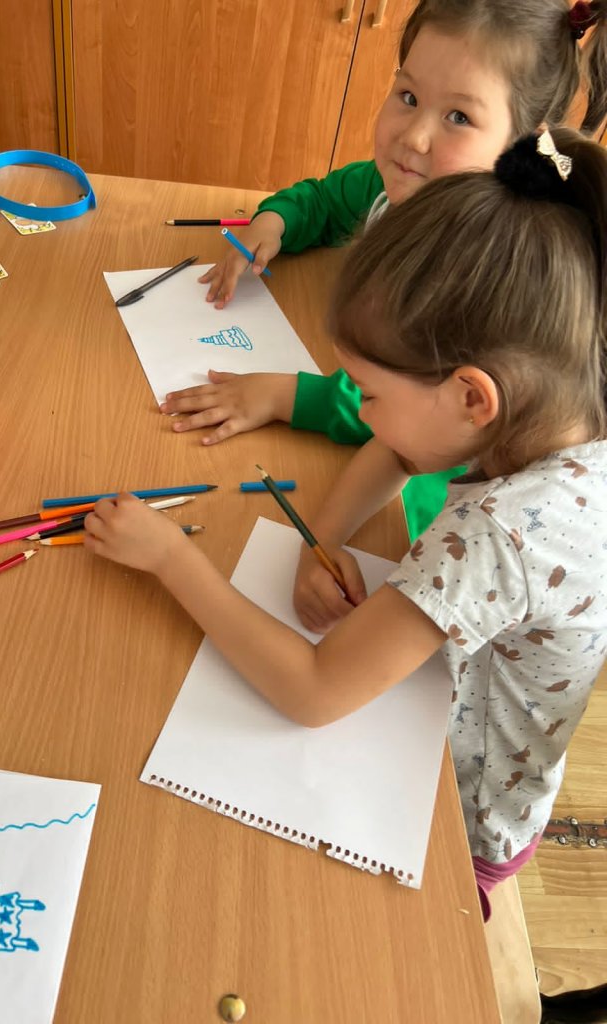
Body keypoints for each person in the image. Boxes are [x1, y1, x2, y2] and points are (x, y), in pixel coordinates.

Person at [84, 127, 607, 916]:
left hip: (455, 816)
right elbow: (400, 449)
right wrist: (321, 538)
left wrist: (170, 560)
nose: (358, 411)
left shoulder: (500, 536)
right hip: (454, 717)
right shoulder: (557, 407)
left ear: (472, 396)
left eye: (369, 392)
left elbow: (315, 690)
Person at [162, 0, 607, 541]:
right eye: (409, 97)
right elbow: (324, 199)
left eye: (459, 117)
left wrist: (284, 397)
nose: (413, 137)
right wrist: (273, 224)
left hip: (434, 507)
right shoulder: (392, 183)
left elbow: (417, 413)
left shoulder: (491, 270)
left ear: (524, 145)